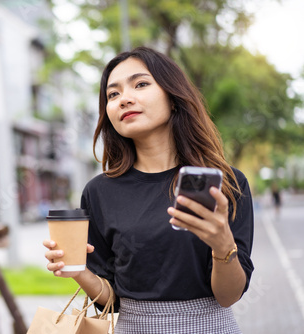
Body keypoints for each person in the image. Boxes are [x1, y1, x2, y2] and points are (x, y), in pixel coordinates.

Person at [43, 47, 254, 333]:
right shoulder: (99, 192)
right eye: (113, 94)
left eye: (141, 84)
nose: (124, 99)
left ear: (174, 97)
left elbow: (228, 296)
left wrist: (222, 245)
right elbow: (112, 300)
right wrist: (79, 271)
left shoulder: (226, 184)